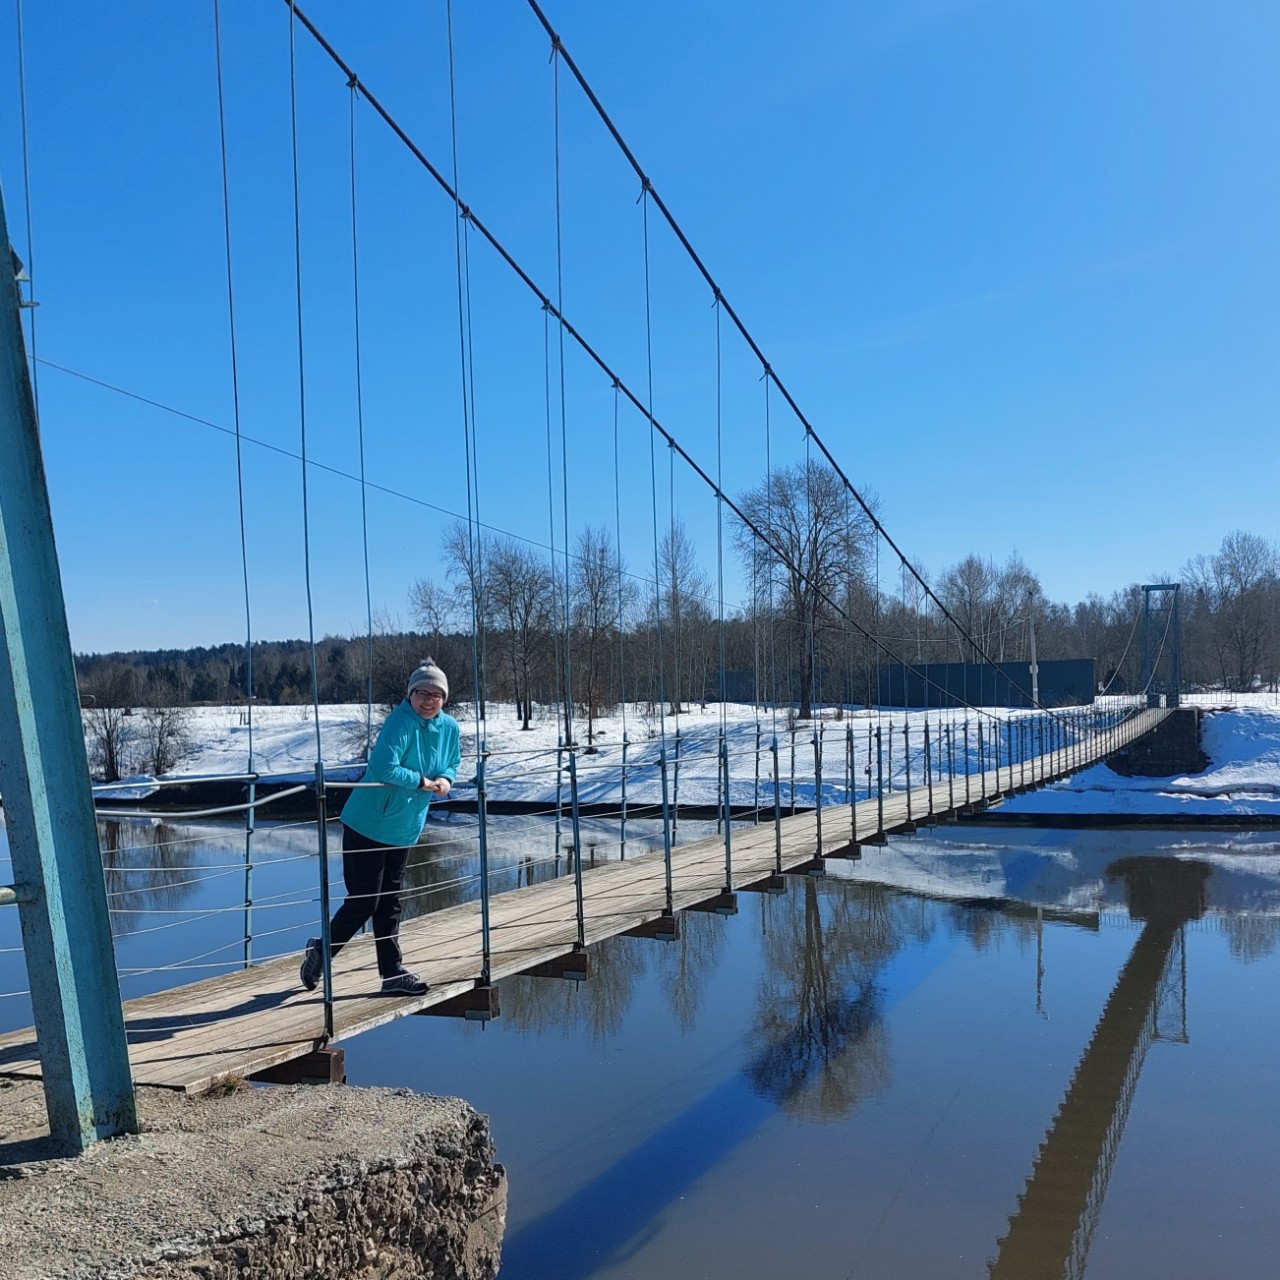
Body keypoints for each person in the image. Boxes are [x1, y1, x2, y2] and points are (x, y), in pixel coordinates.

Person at [300, 658, 461, 996]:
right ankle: (320, 954)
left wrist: (445, 779)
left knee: (389, 903)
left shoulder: (449, 728)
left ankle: (392, 974)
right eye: (422, 693)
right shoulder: (400, 722)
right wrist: (421, 782)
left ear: (444, 699)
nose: (429, 700)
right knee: (364, 903)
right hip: (368, 824)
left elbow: (453, 762)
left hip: (404, 828)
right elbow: (383, 767)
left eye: (436, 695)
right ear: (410, 695)